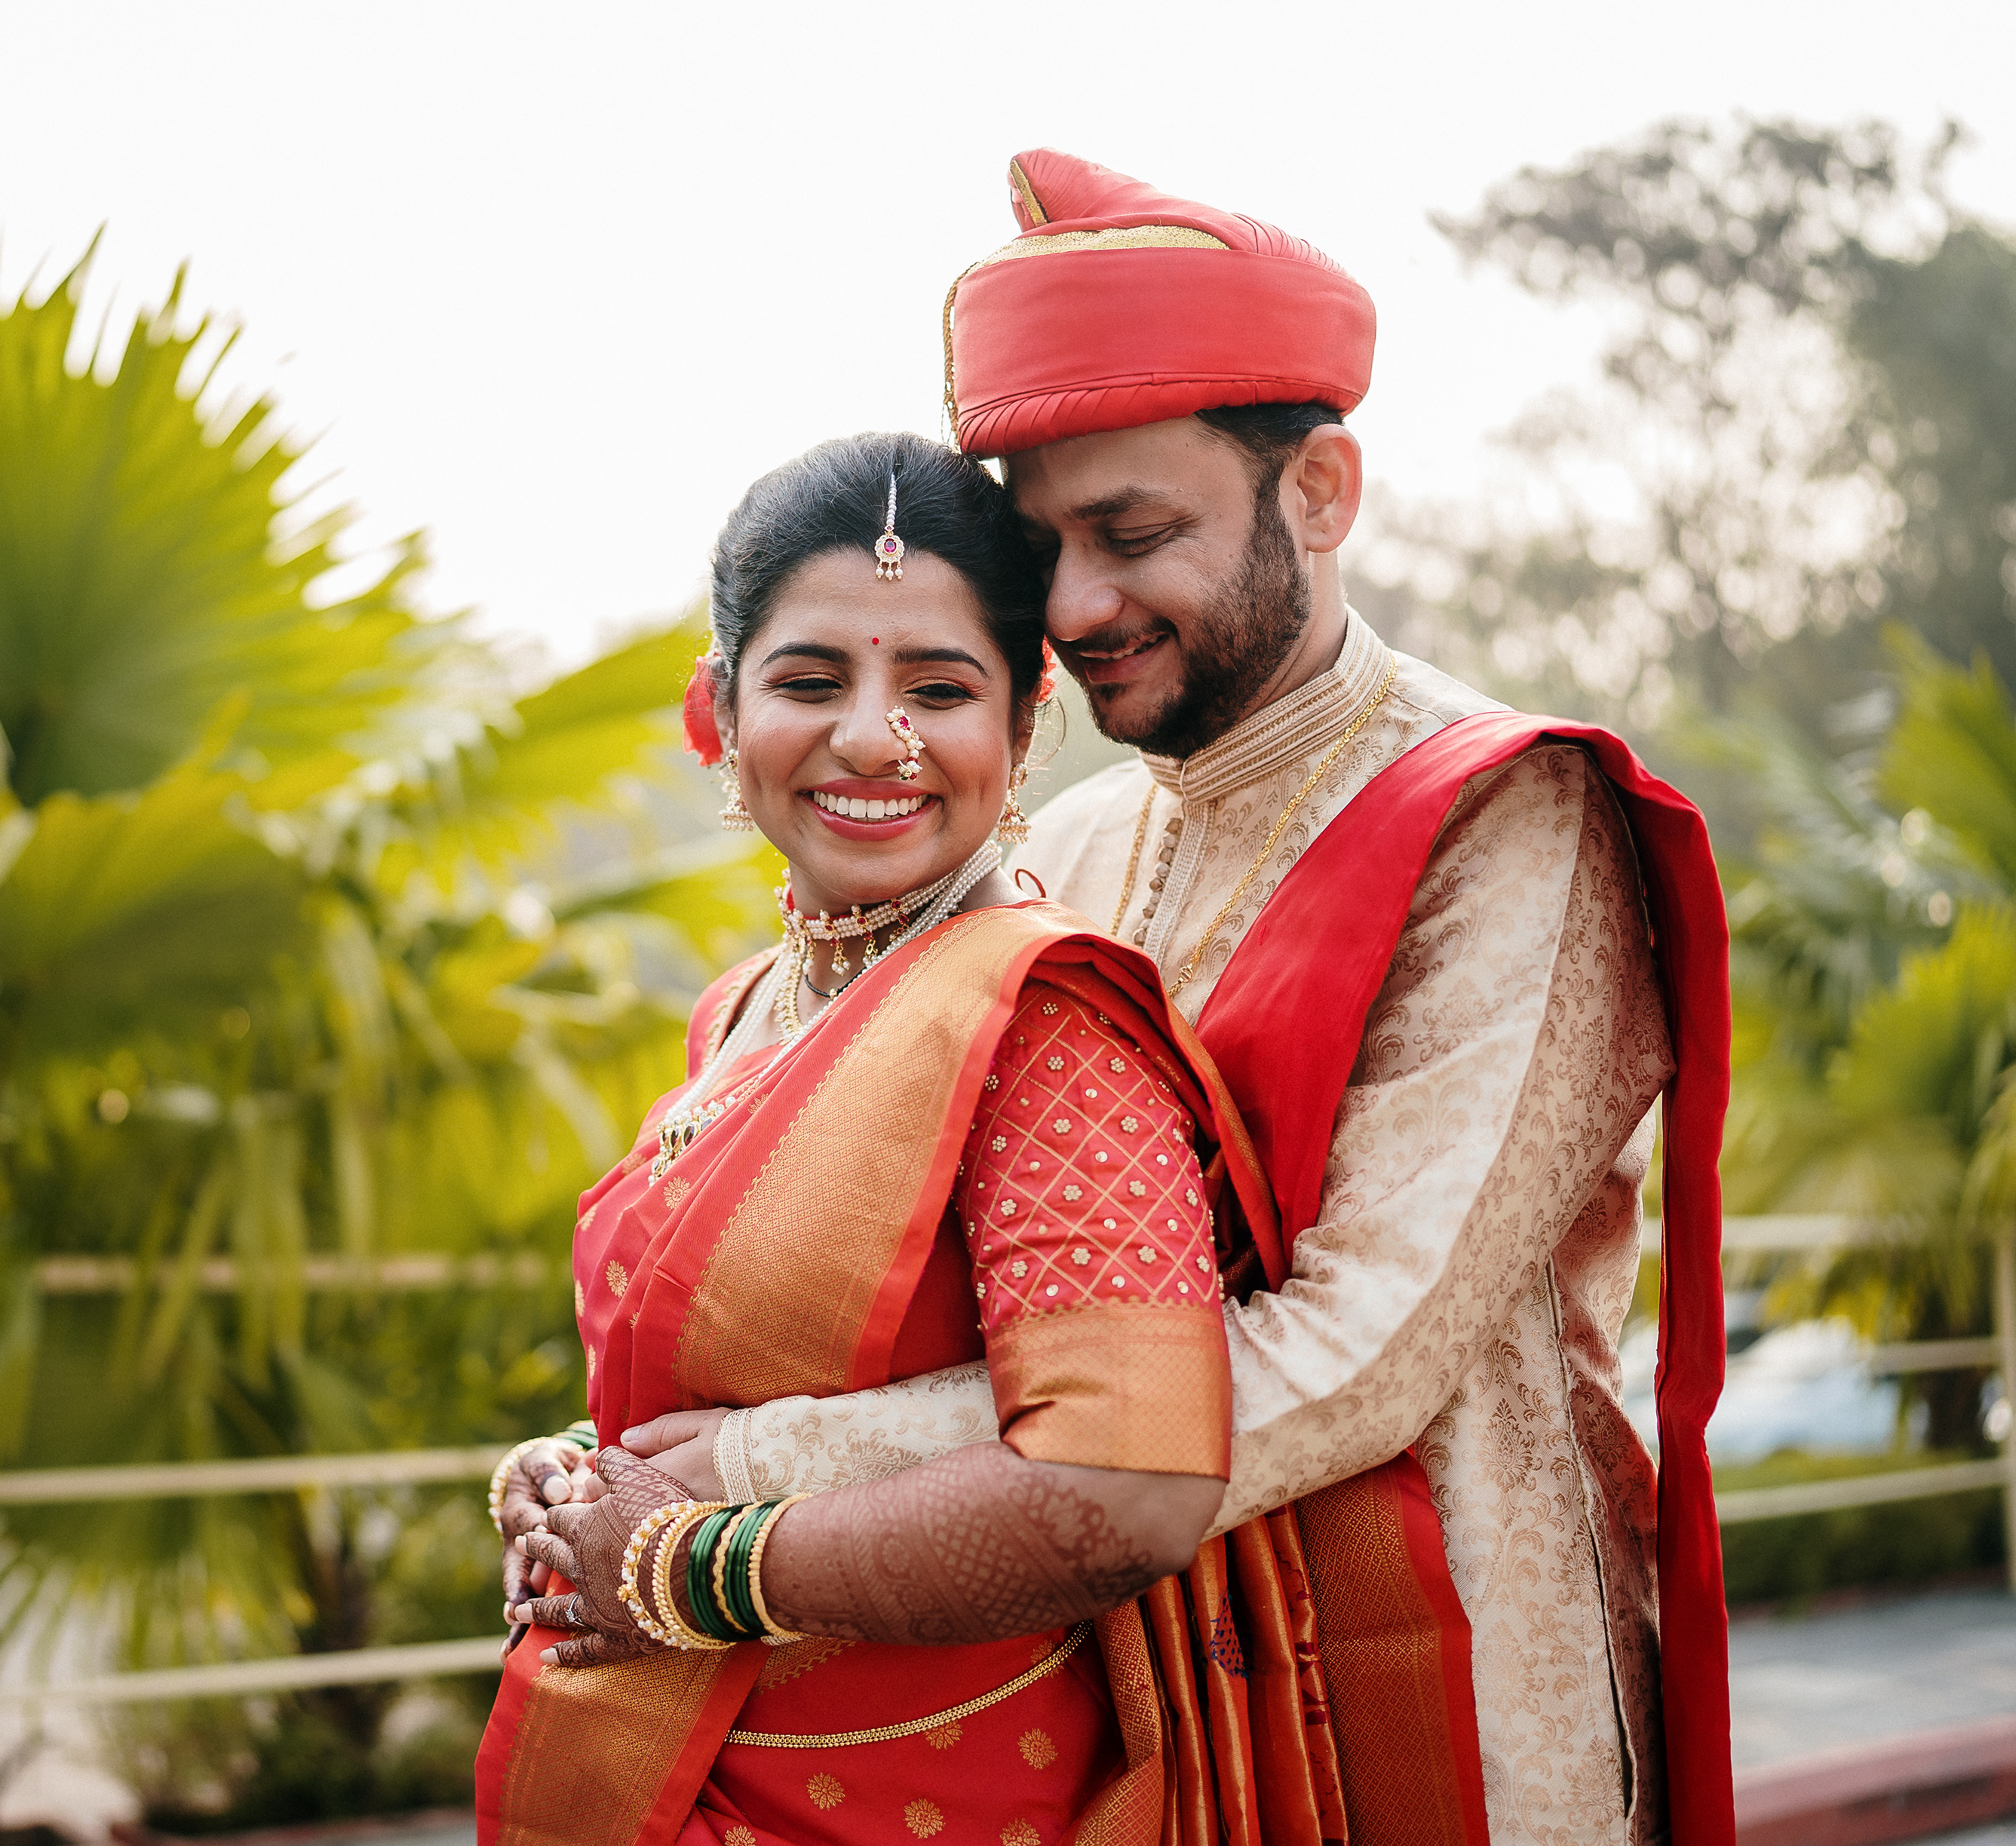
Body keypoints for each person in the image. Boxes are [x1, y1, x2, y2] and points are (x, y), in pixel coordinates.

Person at [499, 153, 1735, 1846]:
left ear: (1320, 489)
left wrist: (729, 1483)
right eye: (1044, 550)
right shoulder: (1069, 843)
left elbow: (1358, 1352)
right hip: (1147, 1702)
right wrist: (623, 1469)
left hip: (1455, 1682)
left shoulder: (1503, 819)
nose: (1077, 608)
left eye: (1136, 535)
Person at [477, 431, 1364, 1846]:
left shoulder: (1044, 1024)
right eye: (810, 681)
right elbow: (738, 1378)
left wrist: (694, 1567)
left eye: (940, 690)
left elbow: (1125, 1485)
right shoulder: (743, 1012)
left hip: (923, 1794)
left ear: (1023, 726)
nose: (874, 737)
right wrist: (586, 1476)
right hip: (662, 1766)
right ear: (720, 710)